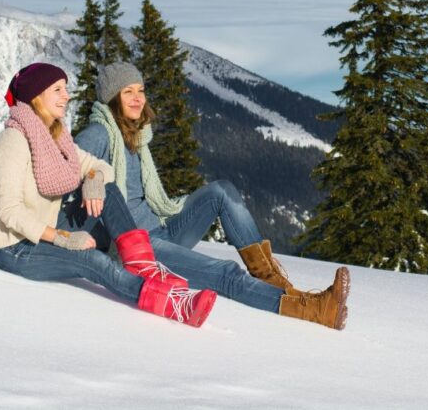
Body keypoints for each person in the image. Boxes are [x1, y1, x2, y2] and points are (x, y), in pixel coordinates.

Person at [74, 61, 350, 330]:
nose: (137, 99)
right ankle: (314, 309)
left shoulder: (135, 135)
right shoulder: (99, 134)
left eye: (140, 90)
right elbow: (68, 168)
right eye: (128, 92)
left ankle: (273, 281)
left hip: (161, 231)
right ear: (112, 98)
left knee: (221, 191)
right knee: (224, 274)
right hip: (140, 249)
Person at [0, 62, 217, 327]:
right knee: (91, 260)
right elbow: (9, 211)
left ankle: (142, 265)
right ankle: (173, 304)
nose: (66, 96)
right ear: (36, 97)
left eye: (65, 89)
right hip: (13, 247)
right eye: (57, 90)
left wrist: (94, 179)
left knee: (106, 187)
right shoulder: (13, 142)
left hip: (44, 227)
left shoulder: (53, 137)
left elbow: (99, 166)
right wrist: (62, 238)